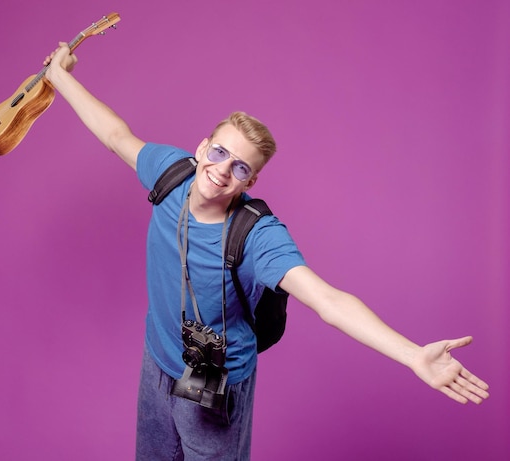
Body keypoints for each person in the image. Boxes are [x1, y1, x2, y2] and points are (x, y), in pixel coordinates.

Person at [42, 43, 490, 460]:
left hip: (216, 385)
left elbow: (329, 301)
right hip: (157, 362)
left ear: (249, 182)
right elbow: (116, 135)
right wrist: (60, 77)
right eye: (218, 152)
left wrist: (413, 355)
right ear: (202, 149)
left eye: (239, 167)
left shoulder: (259, 237)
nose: (221, 170)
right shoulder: (171, 174)